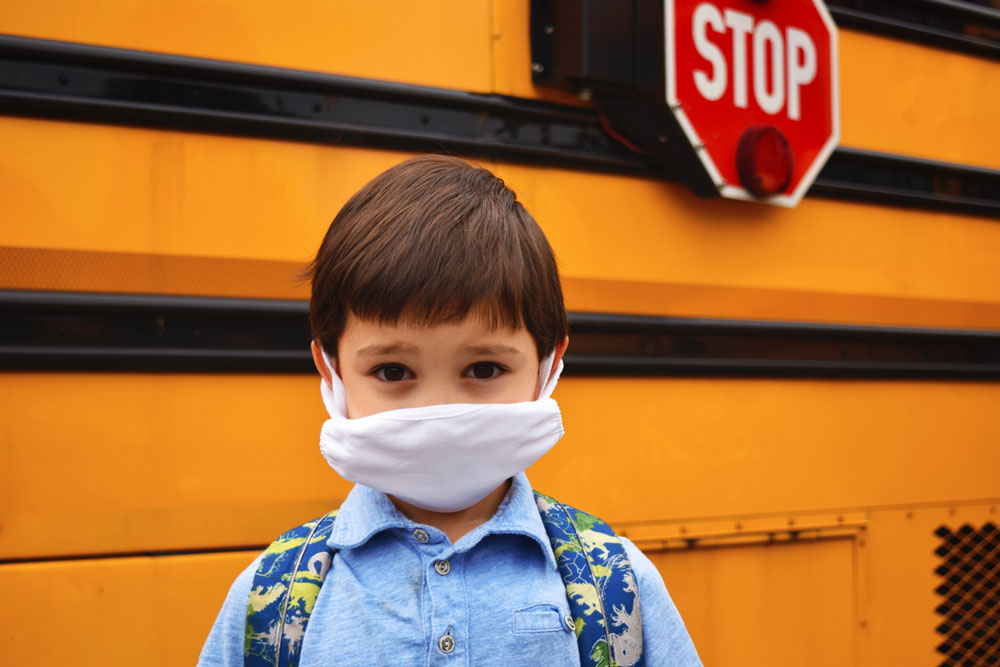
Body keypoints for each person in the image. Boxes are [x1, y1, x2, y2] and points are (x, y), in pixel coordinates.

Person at [198, 155, 702, 666]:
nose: (438, 410)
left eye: (483, 369)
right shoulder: (272, 599)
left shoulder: (615, 583)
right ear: (330, 371)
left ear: (547, 366)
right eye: (393, 372)